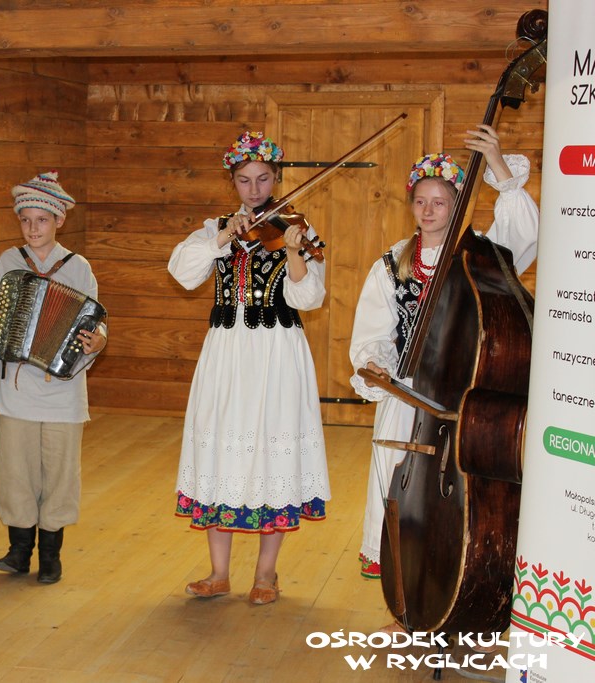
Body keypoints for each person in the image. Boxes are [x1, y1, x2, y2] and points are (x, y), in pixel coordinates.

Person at [349, 124, 539, 583]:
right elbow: (374, 332)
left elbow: (525, 234)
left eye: (440, 202)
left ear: (457, 204)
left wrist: (497, 163)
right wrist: (376, 364)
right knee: (401, 483)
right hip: (408, 393)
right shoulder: (392, 263)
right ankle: (400, 580)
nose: (429, 211)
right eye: (421, 201)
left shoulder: (481, 257)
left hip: (463, 394)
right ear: (411, 205)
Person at [170, 132, 331, 605]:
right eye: (244, 180)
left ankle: (266, 574)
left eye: (263, 179)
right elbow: (182, 271)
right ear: (233, 182)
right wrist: (222, 238)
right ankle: (219, 573)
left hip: (277, 354)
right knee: (220, 451)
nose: (255, 189)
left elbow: (309, 298)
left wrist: (295, 252)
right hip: (226, 355)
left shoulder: (295, 228)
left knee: (272, 453)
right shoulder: (216, 229)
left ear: (276, 178)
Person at [0, 171, 107, 585]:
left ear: (59, 221)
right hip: (16, 386)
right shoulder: (8, 261)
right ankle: (18, 551)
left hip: (62, 389)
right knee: (16, 470)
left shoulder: (78, 267)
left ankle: (51, 556)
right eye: (26, 220)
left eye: (42, 220)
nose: (33, 229)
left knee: (60, 473)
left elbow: (96, 321)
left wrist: (98, 341)